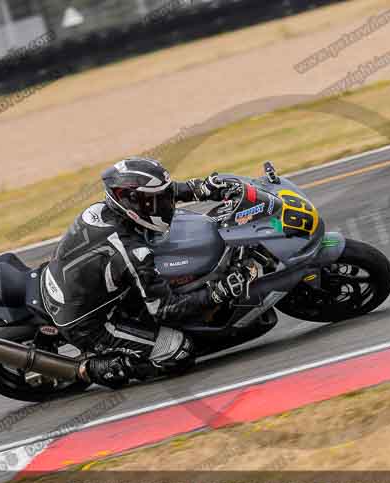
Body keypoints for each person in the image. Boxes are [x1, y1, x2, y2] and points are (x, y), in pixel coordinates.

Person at [40, 157, 249, 388]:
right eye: (156, 201)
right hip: (89, 323)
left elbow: (157, 197)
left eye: (164, 197)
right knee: (180, 351)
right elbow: (165, 309)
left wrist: (200, 188)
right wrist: (218, 293)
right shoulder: (131, 252)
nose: (167, 205)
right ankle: (93, 369)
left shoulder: (105, 209)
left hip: (77, 286)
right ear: (132, 204)